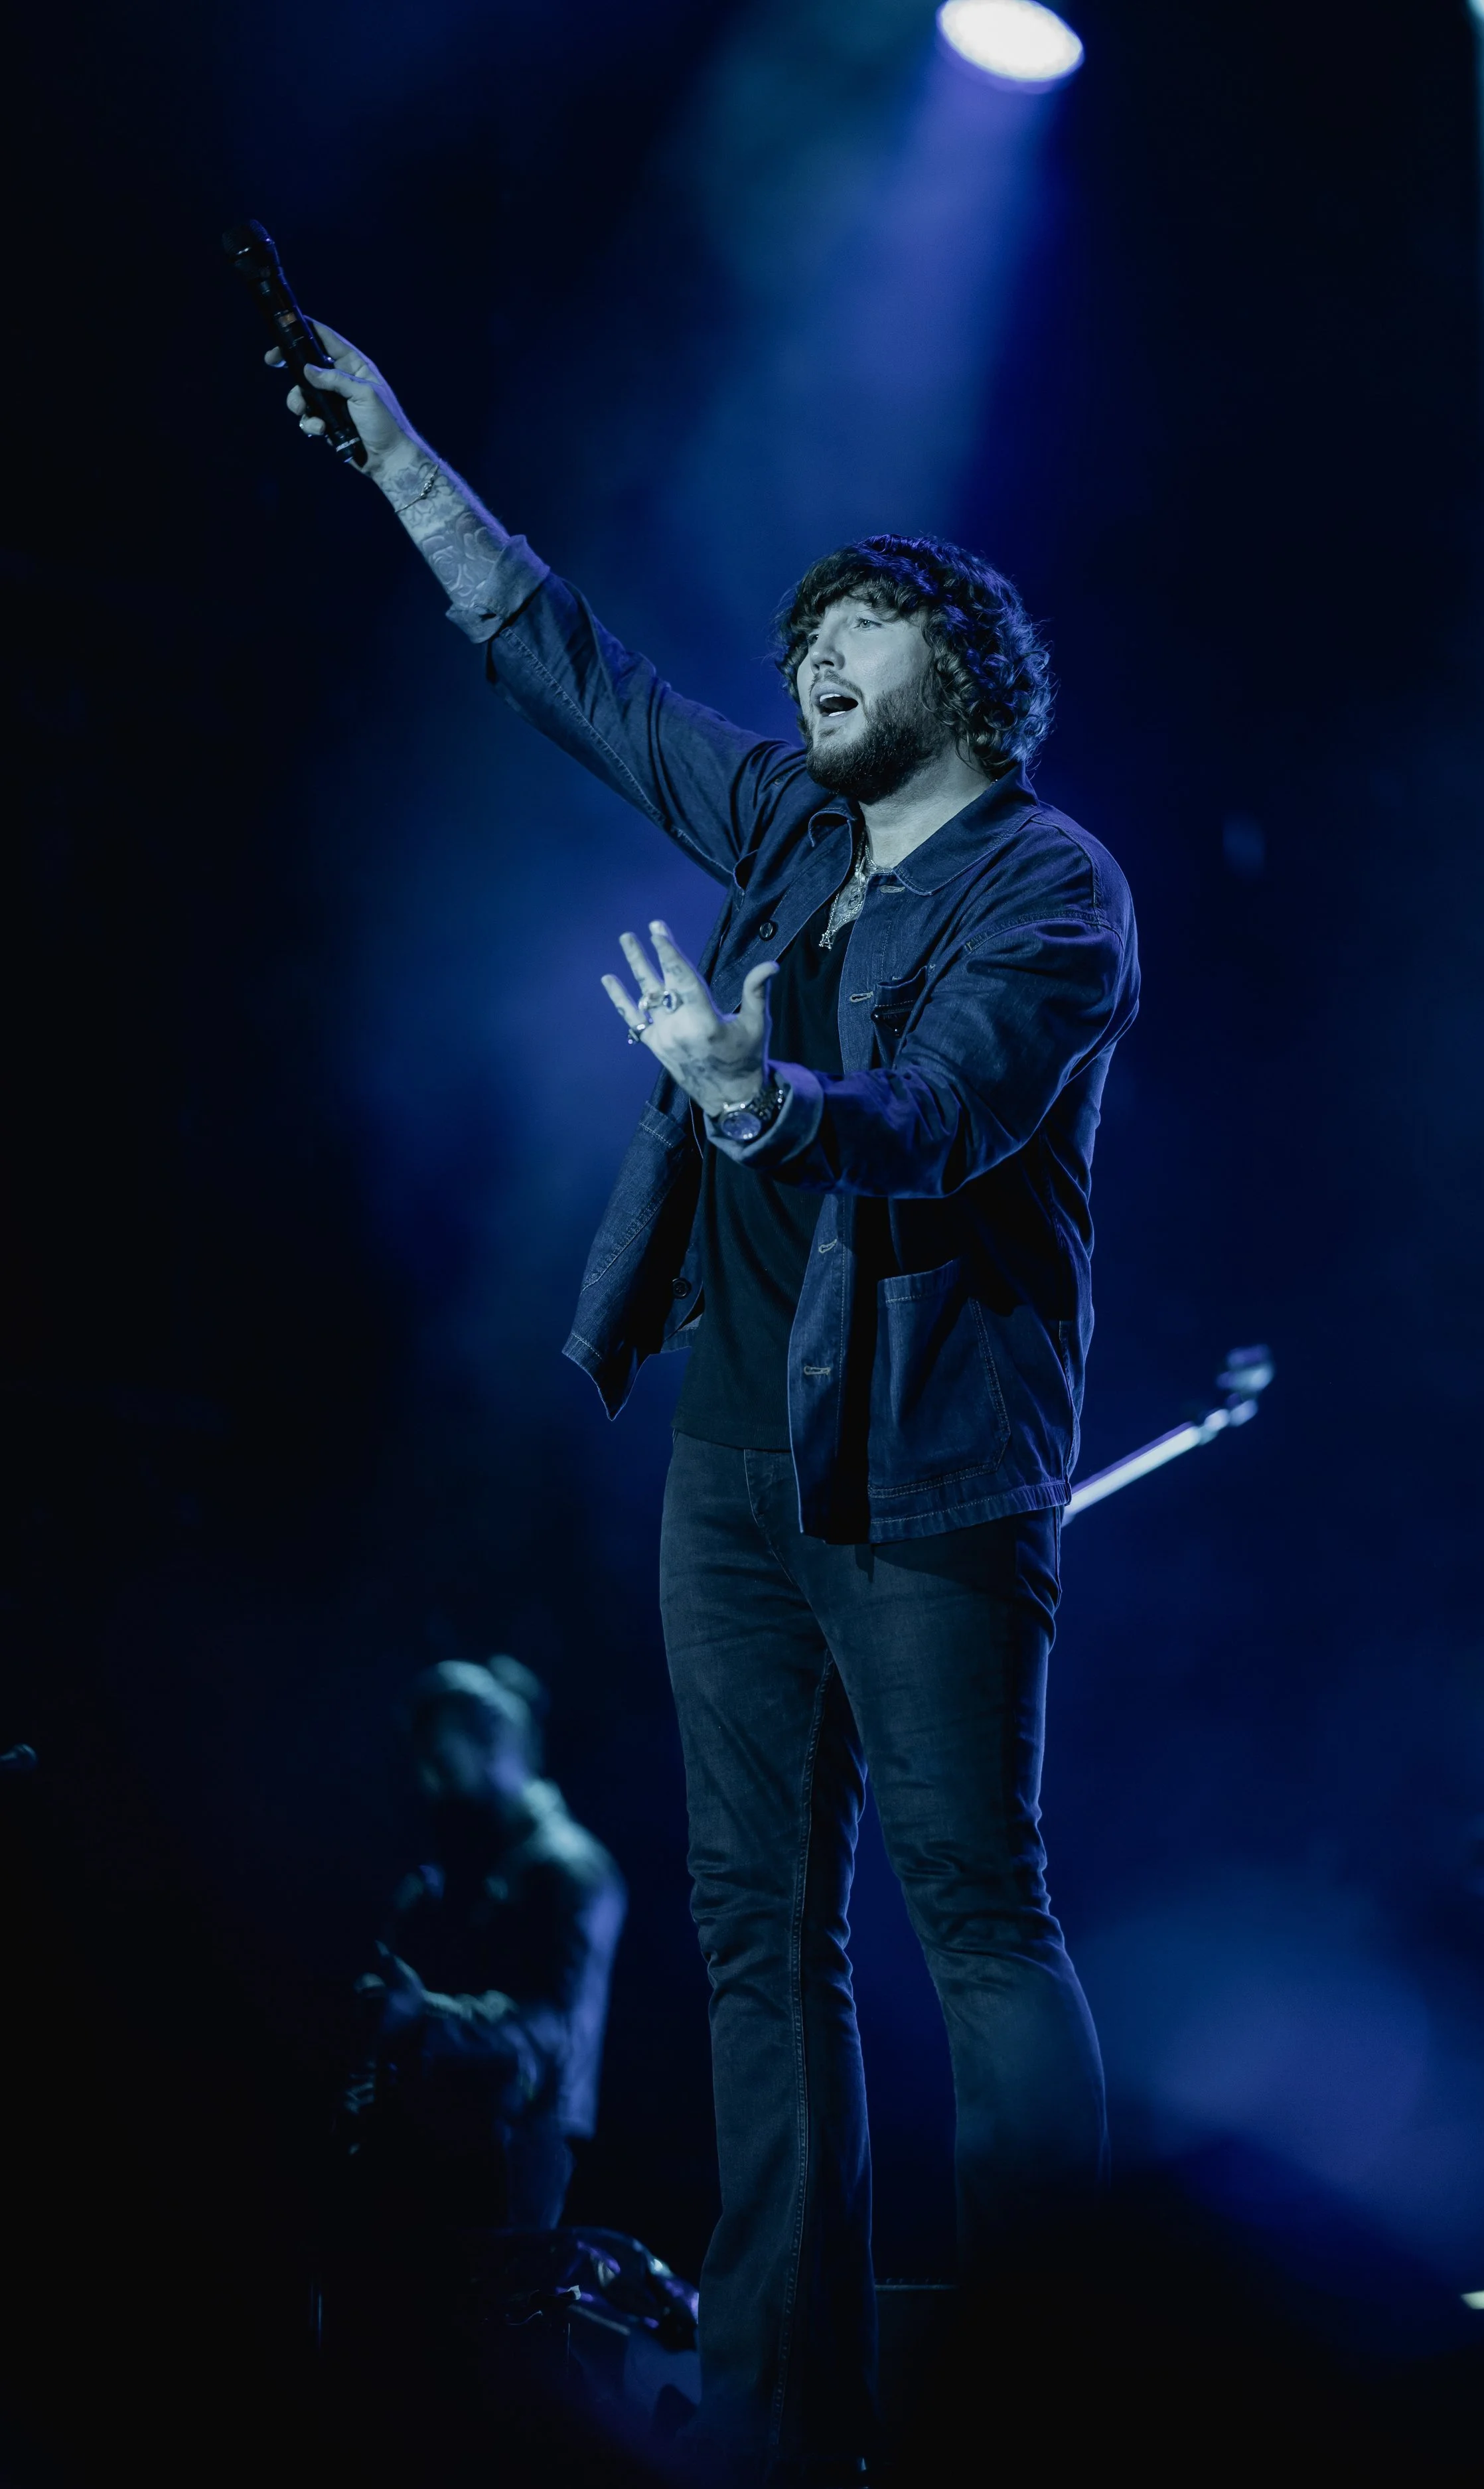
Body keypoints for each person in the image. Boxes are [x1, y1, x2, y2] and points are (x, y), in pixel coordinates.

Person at [267, 328, 1139, 2486]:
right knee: (759, 1944)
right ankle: (777, 2415)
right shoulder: (774, 831)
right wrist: (394, 449)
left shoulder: (1052, 891)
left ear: (971, 669)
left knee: (982, 1923)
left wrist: (772, 1105)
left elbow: (941, 1123)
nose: (817, 658)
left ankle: (1073, 2397)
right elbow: (557, 656)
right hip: (735, 1475)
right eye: (805, 636)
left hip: (931, 1481)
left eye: (862, 629)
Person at [354, 1655, 627, 2235]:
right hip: (434, 2154)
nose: (428, 1783)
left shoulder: (570, 1869)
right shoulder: (450, 1879)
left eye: (441, 1762)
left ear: (494, 1748)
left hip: (512, 2164)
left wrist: (422, 2014)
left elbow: (555, 2022)